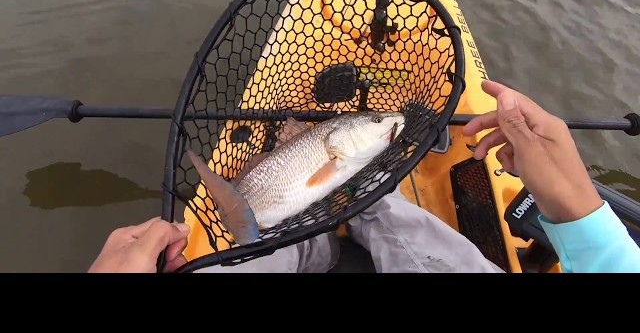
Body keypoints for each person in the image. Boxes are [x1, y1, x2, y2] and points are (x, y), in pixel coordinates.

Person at [88, 80, 640, 273]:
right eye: (377, 123)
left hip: (278, 209)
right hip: (295, 184)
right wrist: (576, 205)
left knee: (275, 242)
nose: (387, 125)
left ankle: (337, 221)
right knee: (375, 202)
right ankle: (364, 206)